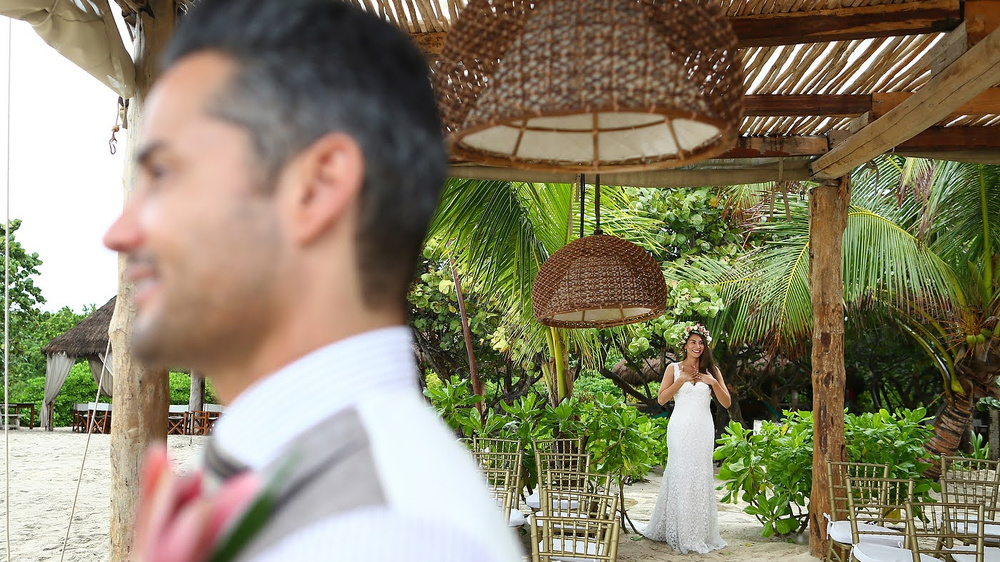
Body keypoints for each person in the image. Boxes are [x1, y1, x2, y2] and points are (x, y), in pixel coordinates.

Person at [102, 1, 523, 560]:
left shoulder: (374, 534)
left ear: (317, 187)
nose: (120, 231)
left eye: (163, 173)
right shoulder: (290, 466)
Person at [641, 323, 730, 553]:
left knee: (699, 475)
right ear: (685, 345)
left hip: (703, 429)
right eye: (693, 342)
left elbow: (727, 402)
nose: (697, 346)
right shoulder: (673, 369)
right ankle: (678, 529)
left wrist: (712, 383)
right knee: (680, 472)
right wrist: (680, 381)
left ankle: (697, 531)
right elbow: (661, 399)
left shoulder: (713, 370)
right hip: (680, 429)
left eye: (701, 343)